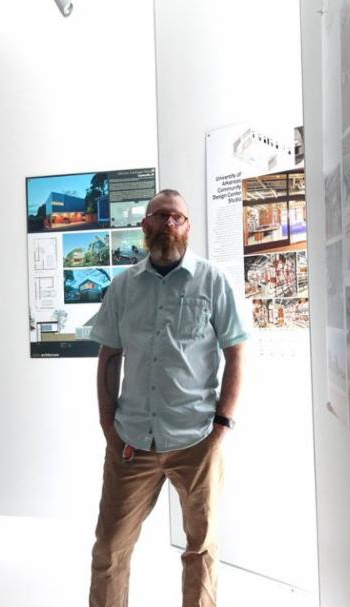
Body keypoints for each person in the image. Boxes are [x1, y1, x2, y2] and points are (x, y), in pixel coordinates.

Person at [88, 189, 248, 606]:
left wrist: (221, 426)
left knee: (201, 549)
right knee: (109, 549)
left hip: (196, 440)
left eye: (176, 217)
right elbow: (109, 355)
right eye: (159, 216)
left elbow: (236, 352)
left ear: (188, 227)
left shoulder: (213, 281)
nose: (168, 223)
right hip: (131, 441)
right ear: (145, 225)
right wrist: (108, 424)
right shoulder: (123, 287)